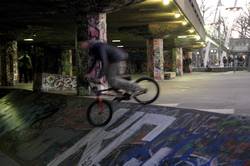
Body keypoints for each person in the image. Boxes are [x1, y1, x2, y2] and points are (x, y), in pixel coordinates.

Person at [80, 40, 145, 96]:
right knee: (110, 78)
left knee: (112, 80)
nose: (82, 46)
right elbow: (94, 62)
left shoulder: (99, 47)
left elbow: (104, 62)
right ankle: (123, 88)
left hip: (116, 59)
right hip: (115, 59)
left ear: (87, 43)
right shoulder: (94, 49)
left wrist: (99, 77)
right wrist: (88, 73)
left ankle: (137, 88)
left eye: (82, 44)